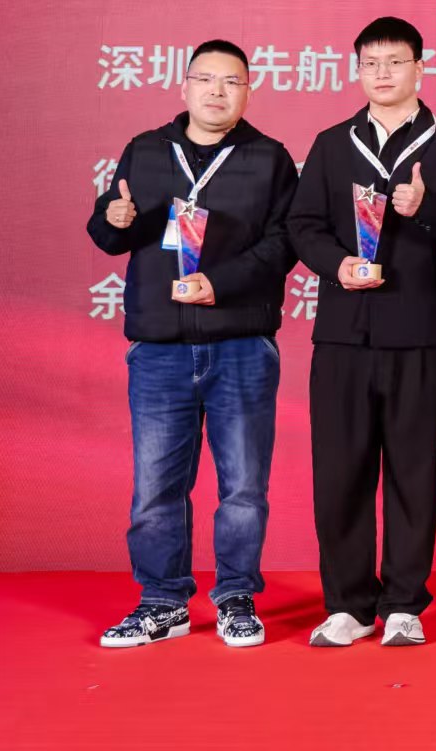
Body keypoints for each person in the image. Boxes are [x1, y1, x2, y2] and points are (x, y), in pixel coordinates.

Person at [88, 40, 297, 648]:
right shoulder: (146, 150)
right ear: (184, 86)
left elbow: (285, 243)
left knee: (244, 488)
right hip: (160, 347)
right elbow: (109, 230)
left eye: (231, 81)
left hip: (241, 343)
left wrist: (220, 283)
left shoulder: (269, 158)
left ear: (248, 91)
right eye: (205, 79)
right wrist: (113, 220)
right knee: (156, 486)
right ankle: (162, 602)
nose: (217, 91)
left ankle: (236, 597)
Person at [286, 17, 436, 647]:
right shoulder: (331, 143)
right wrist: (336, 264)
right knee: (340, 471)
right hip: (343, 333)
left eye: (395, 62)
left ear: (420, 68)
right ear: (357, 70)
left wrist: (424, 210)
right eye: (370, 63)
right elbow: (303, 224)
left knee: (413, 471)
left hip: (416, 331)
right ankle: (348, 604)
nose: (383, 73)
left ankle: (403, 603)